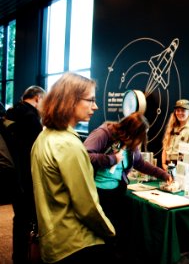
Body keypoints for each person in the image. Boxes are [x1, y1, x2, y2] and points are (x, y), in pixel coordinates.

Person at [31, 72, 116, 263]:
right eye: (91, 100)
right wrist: (110, 231)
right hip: (76, 243)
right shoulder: (69, 144)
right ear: (71, 100)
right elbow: (87, 206)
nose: (96, 106)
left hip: (54, 242)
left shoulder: (43, 138)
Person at [83, 111, 172, 254]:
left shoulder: (130, 142)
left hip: (117, 192)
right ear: (132, 132)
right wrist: (110, 159)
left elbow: (140, 163)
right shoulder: (103, 134)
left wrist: (162, 174)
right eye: (140, 138)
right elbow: (84, 156)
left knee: (116, 233)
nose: (139, 143)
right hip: (98, 194)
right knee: (101, 235)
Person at [5, 85, 46, 264]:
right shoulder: (31, 118)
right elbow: (38, 151)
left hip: (12, 174)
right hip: (27, 177)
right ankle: (26, 257)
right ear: (37, 98)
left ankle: (18, 257)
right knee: (28, 218)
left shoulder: (11, 113)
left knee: (19, 218)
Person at [161, 99, 189, 171]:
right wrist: (164, 164)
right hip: (168, 167)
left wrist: (180, 170)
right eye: (178, 110)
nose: (180, 113)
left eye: (183, 110)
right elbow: (165, 147)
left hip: (183, 168)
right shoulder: (172, 127)